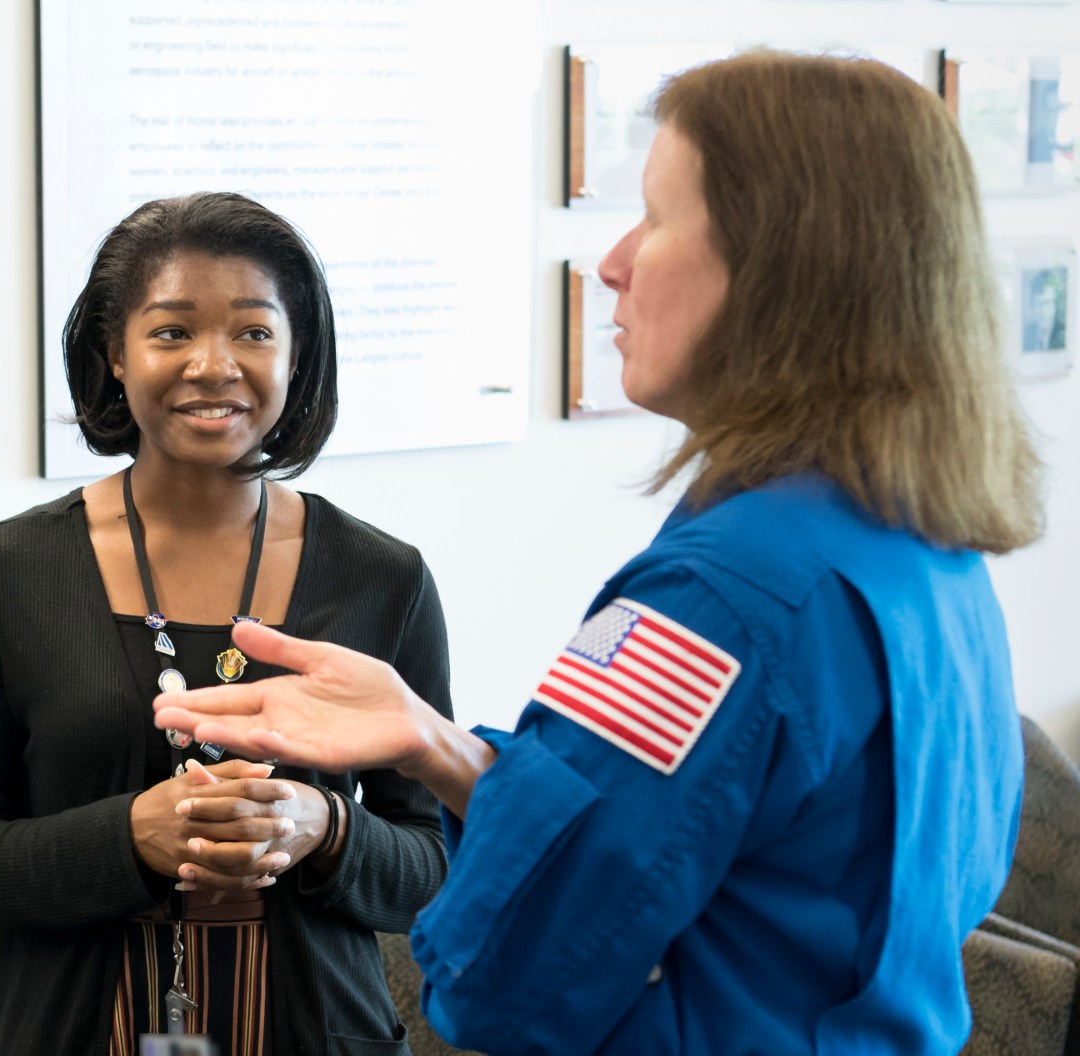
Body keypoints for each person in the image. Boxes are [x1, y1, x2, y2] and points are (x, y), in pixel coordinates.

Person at [156, 53, 1044, 1056]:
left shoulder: (723, 597)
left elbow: (507, 979)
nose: (613, 262)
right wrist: (431, 740)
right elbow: (712, 851)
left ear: (778, 268)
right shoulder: (921, 550)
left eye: (657, 218)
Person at [0, 192, 453, 1056]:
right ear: (113, 355)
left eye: (253, 332)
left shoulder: (382, 578)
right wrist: (131, 834)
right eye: (171, 332)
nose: (215, 365)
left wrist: (324, 826)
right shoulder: (0, 574)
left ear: (297, 351)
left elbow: (436, 865)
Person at [1022, 268, 1067, 352]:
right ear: (1033, 306)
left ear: (1055, 305)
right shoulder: (1024, 336)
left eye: (1048, 303)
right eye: (1039, 304)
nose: (1043, 311)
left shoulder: (1064, 338)